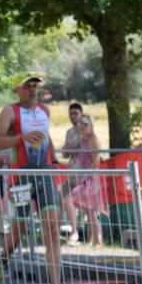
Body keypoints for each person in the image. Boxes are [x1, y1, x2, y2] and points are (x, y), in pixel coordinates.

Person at [0, 74, 79, 284]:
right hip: (21, 178)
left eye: (35, 86)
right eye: (27, 86)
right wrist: (21, 138)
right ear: (17, 90)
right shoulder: (10, 111)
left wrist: (54, 159)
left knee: (52, 230)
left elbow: (46, 136)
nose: (32, 89)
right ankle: (2, 262)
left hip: (44, 174)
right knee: (18, 232)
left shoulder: (44, 110)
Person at [70, 114, 108, 247]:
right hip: (85, 177)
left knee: (88, 210)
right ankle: (93, 240)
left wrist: (83, 177)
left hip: (90, 179)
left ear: (91, 126)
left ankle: (97, 241)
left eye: (85, 124)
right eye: (80, 123)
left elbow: (96, 162)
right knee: (89, 211)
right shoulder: (82, 140)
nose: (81, 126)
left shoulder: (93, 140)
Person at [60, 103, 83, 245]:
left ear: (81, 114)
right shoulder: (69, 132)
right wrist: (68, 148)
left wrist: (70, 147)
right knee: (59, 197)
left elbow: (84, 149)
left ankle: (75, 232)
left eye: (75, 113)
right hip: (72, 171)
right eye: (71, 113)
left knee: (70, 199)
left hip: (84, 174)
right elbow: (65, 154)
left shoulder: (85, 130)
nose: (73, 116)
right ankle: (55, 231)